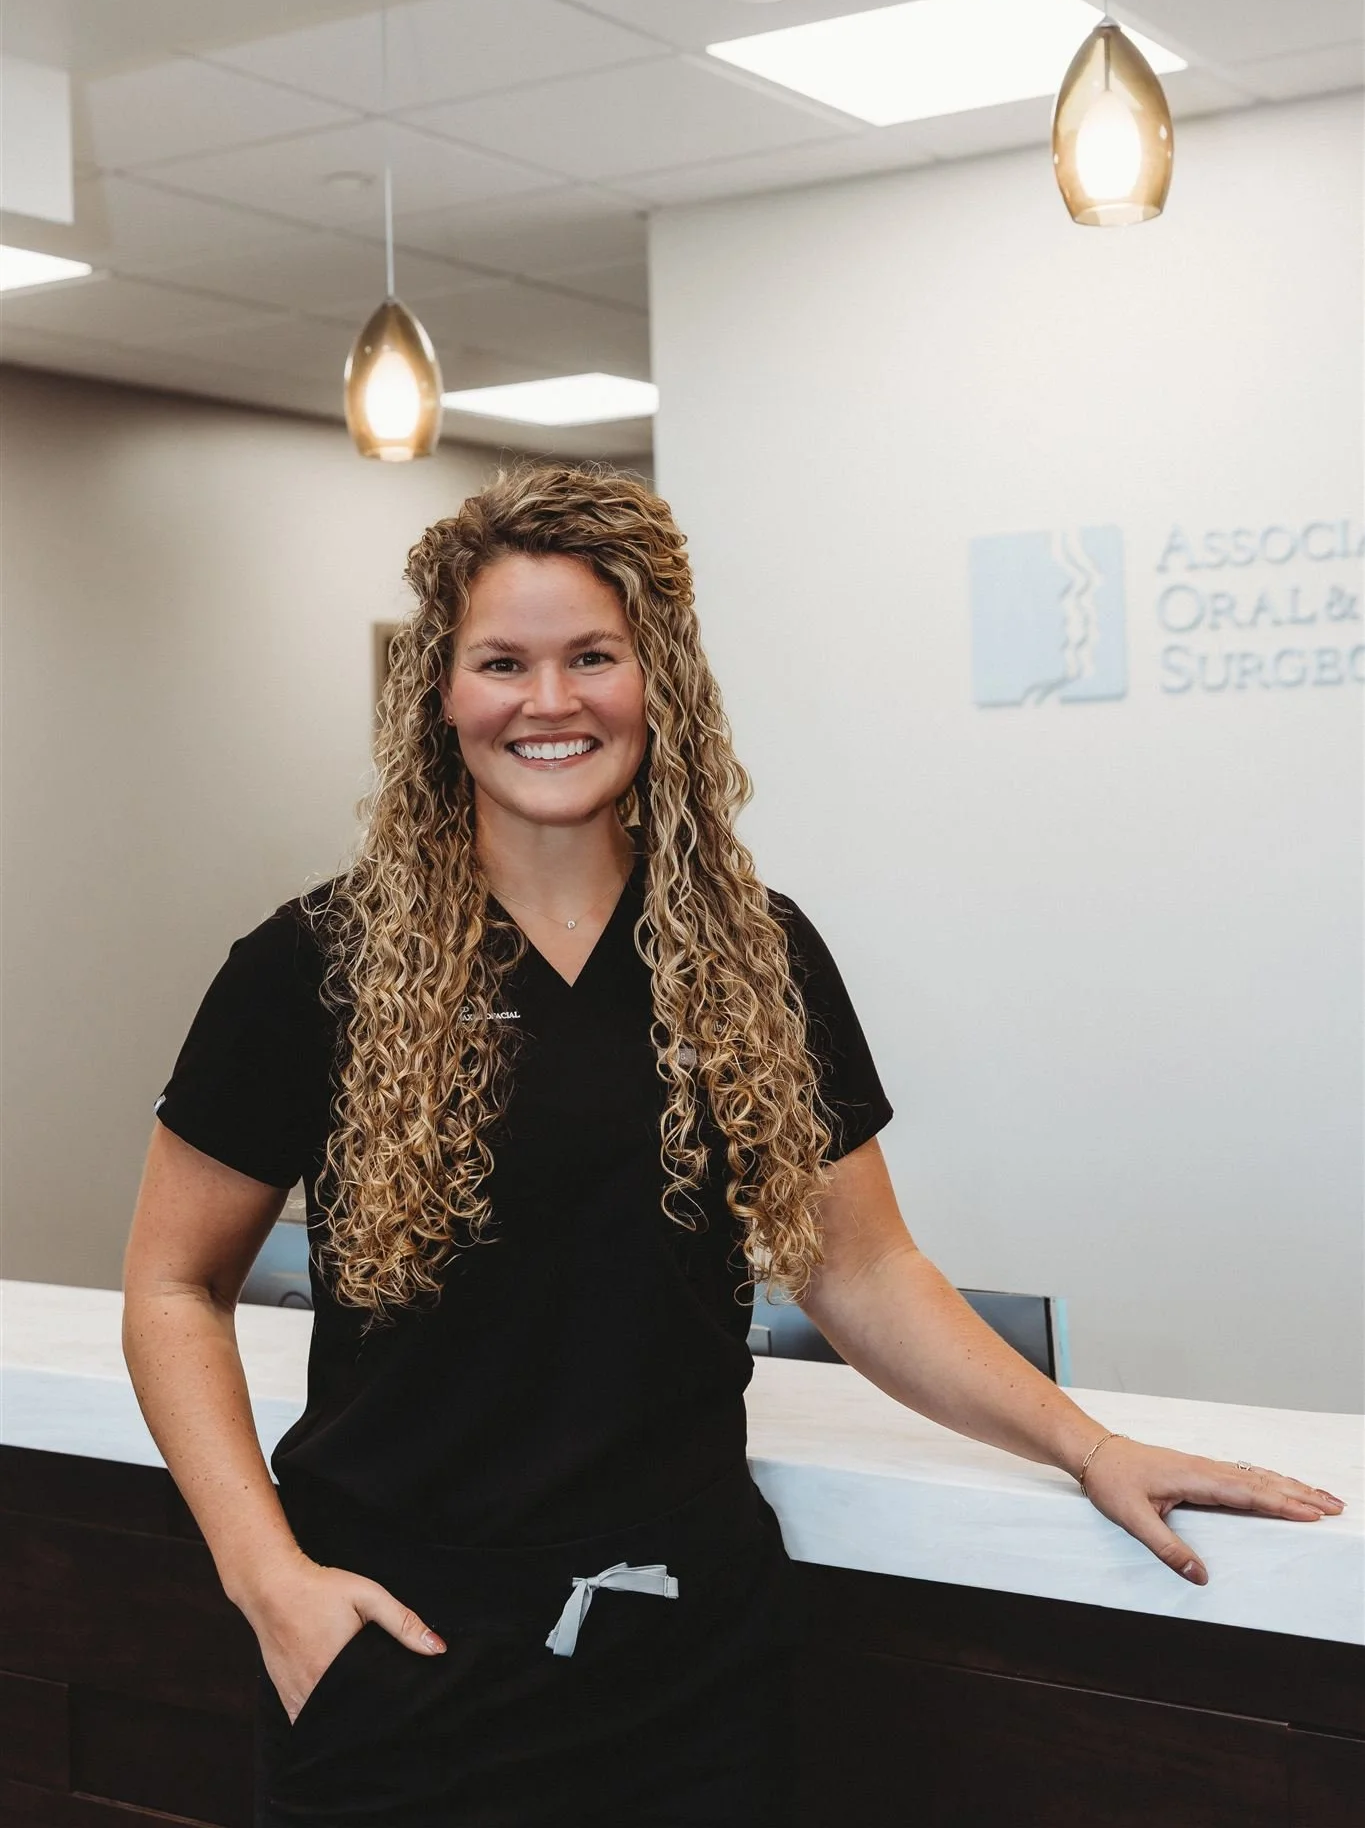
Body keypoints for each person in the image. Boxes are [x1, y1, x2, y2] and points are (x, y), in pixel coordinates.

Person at [122, 465, 1344, 1828]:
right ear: (438, 694)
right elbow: (173, 1286)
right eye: (501, 662)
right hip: (399, 1653)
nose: (549, 701)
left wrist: (1084, 1443)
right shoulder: (313, 966)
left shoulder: (755, 953)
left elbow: (866, 1270)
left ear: (661, 682)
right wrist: (265, 1579)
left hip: (687, 1664)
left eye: (594, 656)